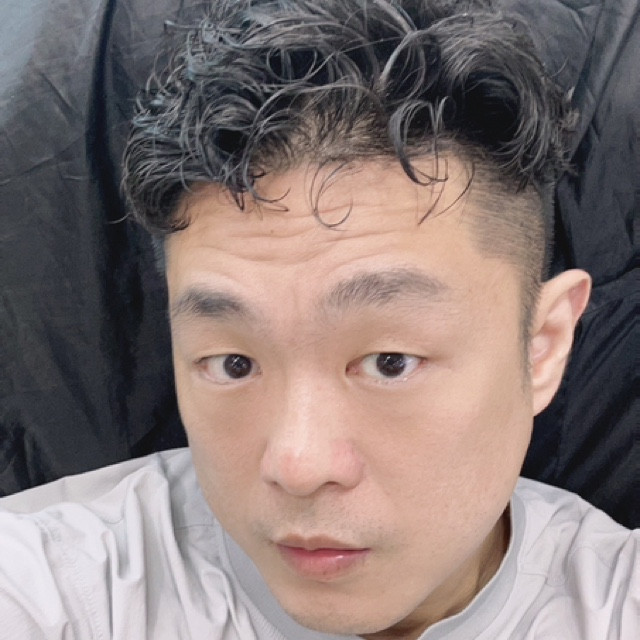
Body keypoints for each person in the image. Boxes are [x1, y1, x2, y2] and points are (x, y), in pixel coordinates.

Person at [0, 0, 637, 638]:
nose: (299, 467)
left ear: (541, 346)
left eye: (390, 362)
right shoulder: (61, 583)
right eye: (233, 364)